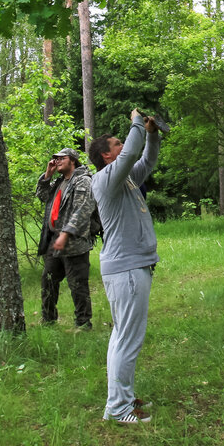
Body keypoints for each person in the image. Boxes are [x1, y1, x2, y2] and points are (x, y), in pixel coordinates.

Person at [90, 110, 162, 425]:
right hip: (127, 271)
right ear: (107, 155)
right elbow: (133, 151)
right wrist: (135, 121)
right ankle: (118, 408)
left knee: (122, 337)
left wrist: (153, 134)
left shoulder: (127, 179)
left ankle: (123, 398)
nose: (124, 145)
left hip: (130, 267)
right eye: (117, 144)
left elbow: (144, 161)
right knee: (128, 339)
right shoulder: (105, 179)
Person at [34, 146, 96, 329]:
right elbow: (43, 196)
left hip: (74, 242)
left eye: (62, 158)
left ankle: (83, 324)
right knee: (48, 280)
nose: (57, 161)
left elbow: (82, 210)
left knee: (77, 285)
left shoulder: (83, 181)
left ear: (73, 160)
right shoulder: (60, 182)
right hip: (56, 241)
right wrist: (47, 175)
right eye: (56, 158)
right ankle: (48, 320)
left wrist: (66, 234)